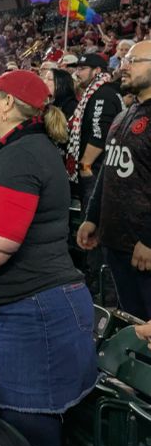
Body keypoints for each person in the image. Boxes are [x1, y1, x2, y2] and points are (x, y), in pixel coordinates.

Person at [0, 70, 97, 446]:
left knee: (30, 443)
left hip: (36, 313)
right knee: (31, 440)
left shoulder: (21, 154)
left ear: (9, 105)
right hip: (40, 307)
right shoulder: (26, 148)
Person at [77, 40, 151, 318]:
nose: (123, 67)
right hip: (117, 246)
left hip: (143, 250)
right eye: (123, 60)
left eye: (133, 61)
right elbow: (108, 171)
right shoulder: (123, 115)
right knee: (132, 327)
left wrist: (149, 240)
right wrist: (92, 217)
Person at [67, 53, 122, 210]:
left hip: (96, 171)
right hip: (100, 169)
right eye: (77, 69)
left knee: (91, 217)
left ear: (97, 70)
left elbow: (99, 133)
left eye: (82, 69)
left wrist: (85, 165)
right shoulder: (100, 91)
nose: (77, 73)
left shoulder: (102, 95)